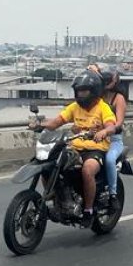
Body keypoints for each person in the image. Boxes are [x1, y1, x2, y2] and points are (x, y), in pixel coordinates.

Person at [32, 70, 116, 222]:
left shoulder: (103, 107)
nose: (81, 95)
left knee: (88, 170)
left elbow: (111, 126)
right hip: (75, 147)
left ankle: (88, 210)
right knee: (49, 164)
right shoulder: (74, 107)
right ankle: (57, 196)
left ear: (94, 91)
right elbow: (57, 122)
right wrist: (39, 125)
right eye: (79, 91)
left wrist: (104, 132)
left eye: (84, 91)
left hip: (95, 149)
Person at [87, 63, 127, 206]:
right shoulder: (96, 97)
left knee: (110, 160)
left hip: (113, 140)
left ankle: (113, 194)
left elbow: (119, 123)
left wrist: (108, 130)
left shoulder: (118, 98)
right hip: (94, 137)